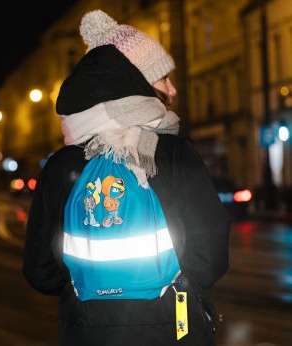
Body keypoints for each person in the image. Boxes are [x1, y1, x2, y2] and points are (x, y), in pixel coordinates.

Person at [22, 9, 231, 346]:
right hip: (169, 328)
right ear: (133, 82)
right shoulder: (174, 154)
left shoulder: (62, 165)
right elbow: (211, 259)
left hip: (85, 330)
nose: (173, 90)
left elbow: (40, 272)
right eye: (162, 79)